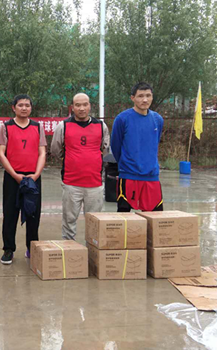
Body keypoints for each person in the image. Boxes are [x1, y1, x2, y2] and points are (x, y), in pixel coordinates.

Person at [51, 93, 110, 240]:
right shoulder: (63, 126)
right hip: (71, 184)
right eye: (78, 105)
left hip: (95, 184)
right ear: (72, 107)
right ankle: (69, 249)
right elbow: (55, 150)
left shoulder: (101, 126)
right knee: (69, 221)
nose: (82, 108)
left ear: (90, 106)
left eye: (85, 104)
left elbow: (105, 150)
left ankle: (93, 250)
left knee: (94, 222)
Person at [0, 94, 47, 264]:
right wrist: (15, 175)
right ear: (14, 108)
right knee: (10, 213)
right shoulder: (6, 127)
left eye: (27, 105)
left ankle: (32, 247)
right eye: (20, 105)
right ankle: (8, 249)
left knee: (33, 214)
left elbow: (42, 152)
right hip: (13, 177)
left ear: (31, 108)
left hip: (33, 176)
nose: (24, 108)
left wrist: (36, 174)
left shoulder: (37, 127)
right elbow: (1, 153)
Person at [111, 82, 164, 212]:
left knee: (156, 217)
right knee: (124, 218)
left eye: (148, 96)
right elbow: (115, 146)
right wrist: (126, 165)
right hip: (128, 176)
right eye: (140, 96)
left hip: (151, 176)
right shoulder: (122, 119)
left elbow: (154, 143)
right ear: (133, 98)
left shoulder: (157, 119)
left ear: (152, 97)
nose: (145, 100)